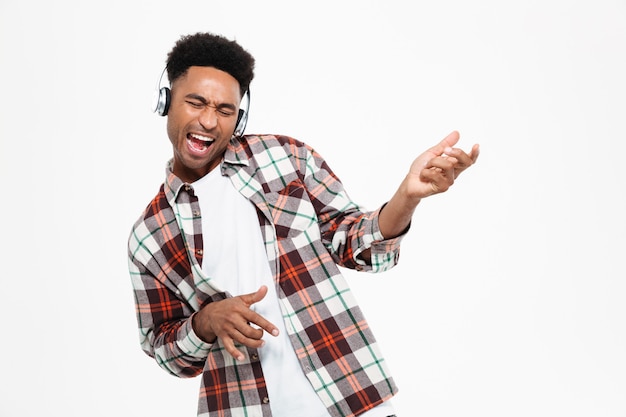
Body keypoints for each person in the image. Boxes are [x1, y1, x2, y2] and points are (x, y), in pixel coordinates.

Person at [127, 32, 479, 417]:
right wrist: (206, 321)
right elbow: (165, 350)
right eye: (195, 103)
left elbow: (355, 244)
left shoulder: (286, 158)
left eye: (225, 110)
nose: (208, 121)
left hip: (350, 398)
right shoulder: (150, 235)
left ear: (239, 117)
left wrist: (407, 197)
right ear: (166, 101)